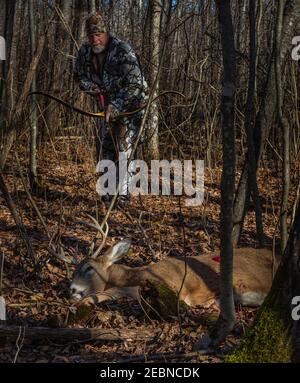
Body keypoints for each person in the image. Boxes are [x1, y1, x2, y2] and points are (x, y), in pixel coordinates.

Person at [74, 13, 148, 203]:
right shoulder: (85, 51)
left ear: (106, 33)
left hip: (131, 105)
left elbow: (136, 84)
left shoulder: (122, 49)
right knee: (107, 145)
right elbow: (78, 76)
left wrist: (116, 105)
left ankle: (122, 196)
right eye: (91, 36)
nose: (94, 39)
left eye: (98, 35)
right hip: (106, 106)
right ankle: (108, 194)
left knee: (124, 147)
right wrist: (92, 87)